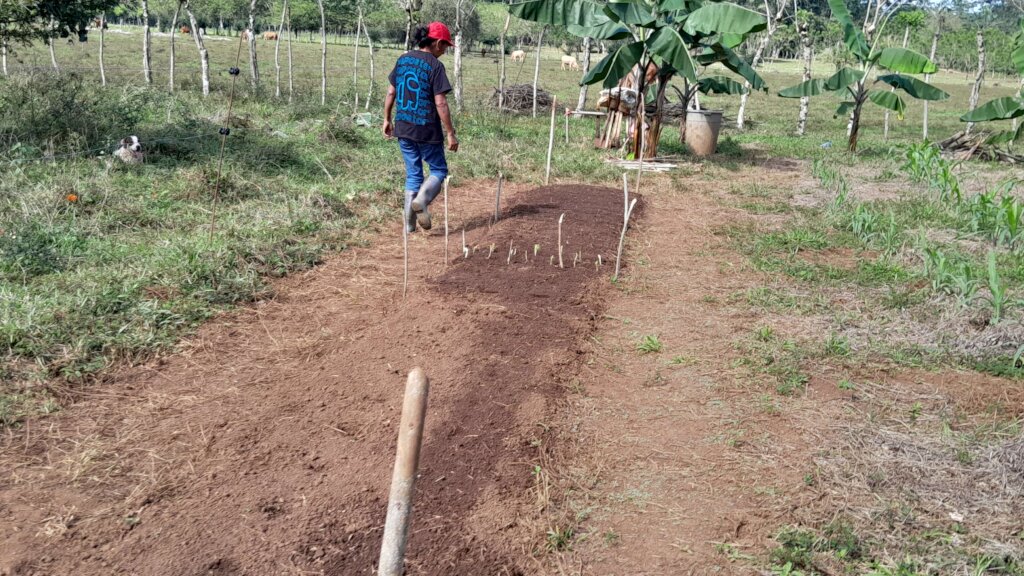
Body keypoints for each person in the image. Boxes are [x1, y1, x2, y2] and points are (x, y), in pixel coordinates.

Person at [382, 22, 460, 233]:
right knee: (439, 169)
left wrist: (387, 119)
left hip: (404, 128)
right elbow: (441, 103)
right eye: (444, 46)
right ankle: (422, 201)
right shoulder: (435, 66)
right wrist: (451, 133)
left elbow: (391, 92)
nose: (444, 51)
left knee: (413, 175)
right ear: (436, 43)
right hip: (427, 130)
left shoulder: (403, 59)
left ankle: (409, 227)